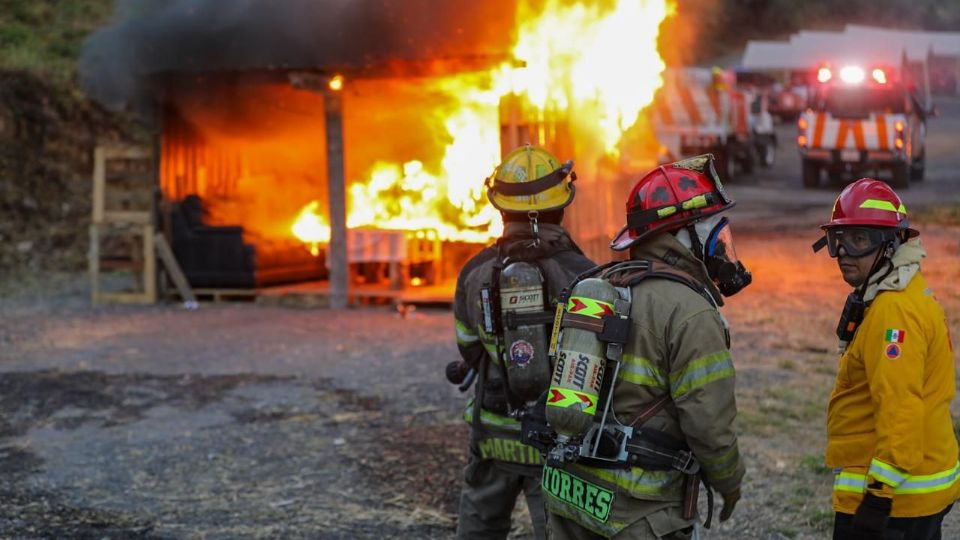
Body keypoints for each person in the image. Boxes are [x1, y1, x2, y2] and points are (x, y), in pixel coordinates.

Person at [543, 154, 747, 539]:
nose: (722, 244)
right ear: (684, 235)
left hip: (571, 496)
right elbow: (709, 426)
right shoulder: (690, 311)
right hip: (637, 511)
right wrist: (730, 483)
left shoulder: (605, 282)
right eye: (713, 230)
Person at [448, 144, 596, 539]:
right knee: (559, 529)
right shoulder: (587, 277)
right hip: (558, 437)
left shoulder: (473, 272)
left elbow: (469, 346)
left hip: (493, 429)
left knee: (480, 526)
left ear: (499, 208)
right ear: (563, 205)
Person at [812, 178, 959, 540]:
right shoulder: (899, 291)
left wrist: (877, 499)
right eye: (838, 240)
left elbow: (901, 409)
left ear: (891, 246)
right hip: (915, 490)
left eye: (859, 240)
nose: (844, 252)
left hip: (900, 500)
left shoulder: (894, 312)